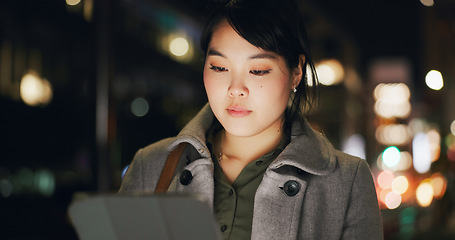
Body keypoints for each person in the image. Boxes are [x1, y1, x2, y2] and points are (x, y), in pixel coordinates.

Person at [119, 0, 383, 239]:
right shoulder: (150, 167)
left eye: (257, 70)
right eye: (219, 67)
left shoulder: (347, 182)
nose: (236, 88)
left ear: (296, 72)